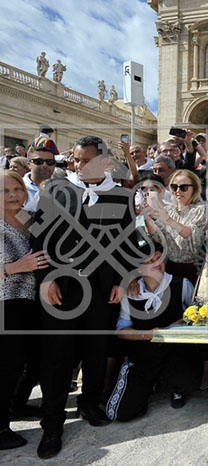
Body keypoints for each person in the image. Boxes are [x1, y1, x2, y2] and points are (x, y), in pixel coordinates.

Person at [32, 136, 141, 459]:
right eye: (76, 160)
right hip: (61, 288)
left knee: (96, 350)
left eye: (85, 160)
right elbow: (38, 238)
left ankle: (90, 403)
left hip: (101, 288)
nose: (78, 166)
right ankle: (52, 423)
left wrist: (122, 280)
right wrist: (45, 279)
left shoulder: (122, 196)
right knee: (57, 356)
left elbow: (127, 242)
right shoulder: (56, 190)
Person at [106, 248, 200, 421]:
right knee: (120, 413)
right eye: (150, 261)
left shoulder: (181, 284)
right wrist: (148, 334)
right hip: (144, 358)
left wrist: (177, 324)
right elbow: (121, 331)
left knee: (189, 382)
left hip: (175, 353)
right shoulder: (130, 292)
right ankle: (150, 384)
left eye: (158, 258)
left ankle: (175, 388)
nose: (157, 263)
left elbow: (197, 314)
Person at [0, 170, 47, 450]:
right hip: (6, 302)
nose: (13, 195)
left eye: (17, 188)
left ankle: (17, 405)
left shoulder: (30, 218)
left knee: (34, 360)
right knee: (8, 365)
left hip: (34, 300)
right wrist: (16, 267)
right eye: (5, 191)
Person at [143, 169, 207, 284]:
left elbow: (192, 236)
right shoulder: (168, 210)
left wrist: (167, 220)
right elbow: (157, 236)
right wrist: (147, 217)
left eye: (183, 187)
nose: (178, 191)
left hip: (196, 269)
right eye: (174, 187)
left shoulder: (201, 209)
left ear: (194, 189)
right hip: (171, 268)